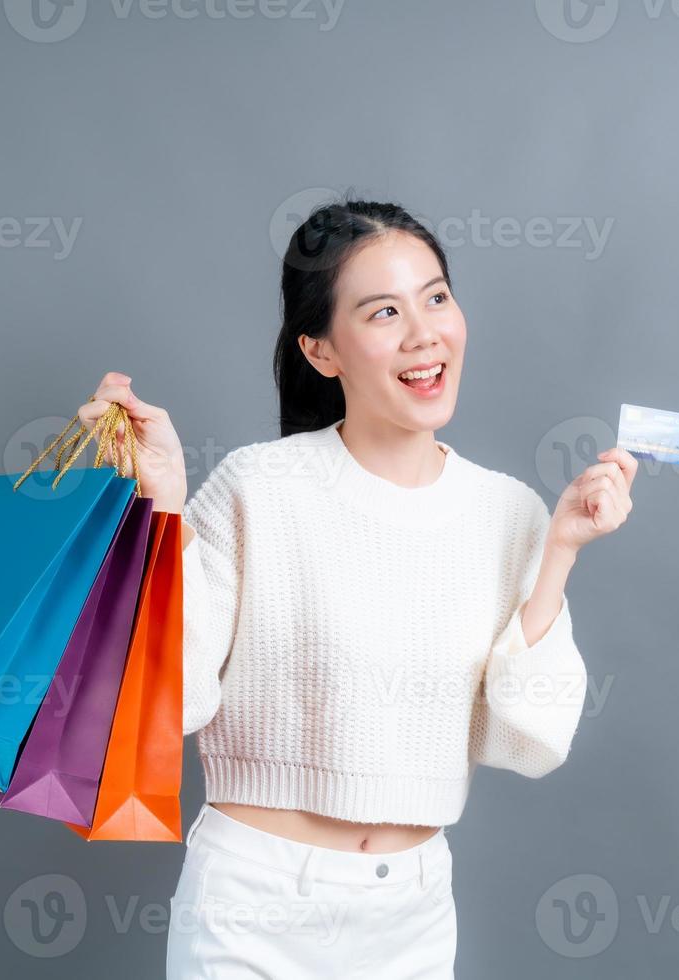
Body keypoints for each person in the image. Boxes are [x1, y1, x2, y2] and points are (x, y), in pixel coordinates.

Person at [75, 198, 637, 978]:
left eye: (436, 297)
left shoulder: (508, 512)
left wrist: (561, 553)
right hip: (255, 900)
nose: (424, 333)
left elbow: (530, 740)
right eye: (383, 312)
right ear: (321, 350)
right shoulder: (258, 488)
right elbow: (176, 697)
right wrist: (165, 502)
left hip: (409, 913)